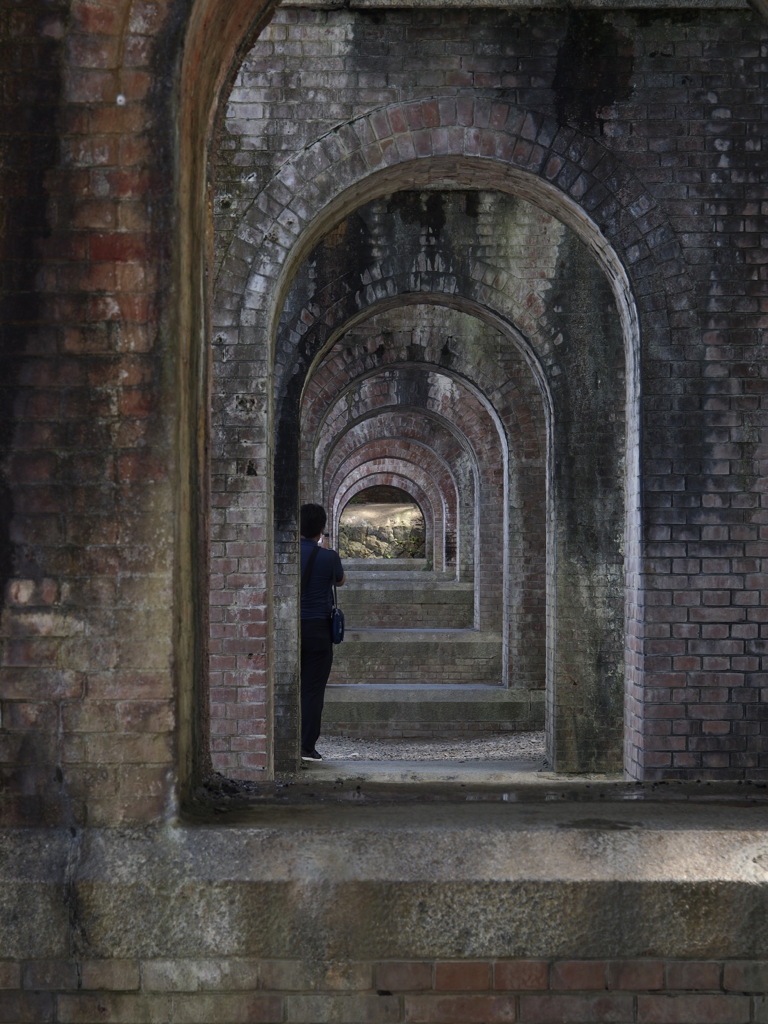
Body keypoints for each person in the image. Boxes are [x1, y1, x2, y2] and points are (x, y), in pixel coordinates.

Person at [299, 503, 345, 762]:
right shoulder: (329, 556)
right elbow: (340, 580)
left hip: (291, 628)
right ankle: (307, 746)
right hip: (318, 629)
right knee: (313, 690)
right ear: (321, 530)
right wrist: (325, 552)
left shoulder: (286, 554)